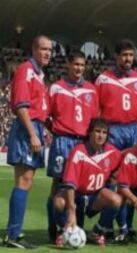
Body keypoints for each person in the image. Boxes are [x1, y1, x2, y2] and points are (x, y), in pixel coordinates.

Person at [95, 39, 137, 239]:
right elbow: (96, 108)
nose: (128, 59)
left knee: (131, 181)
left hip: (133, 130)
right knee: (112, 179)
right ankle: (109, 226)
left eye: (130, 55)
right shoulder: (103, 79)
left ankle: (127, 226)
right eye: (124, 55)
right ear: (116, 57)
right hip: (112, 131)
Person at [4, 35, 52, 249]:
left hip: (35, 128)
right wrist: (33, 134)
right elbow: (21, 106)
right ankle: (13, 234)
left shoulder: (39, 74)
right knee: (23, 181)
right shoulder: (26, 70)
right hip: (27, 129)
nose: (47, 53)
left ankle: (14, 231)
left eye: (50, 50)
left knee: (27, 181)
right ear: (34, 50)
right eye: (43, 49)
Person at [46, 50, 99, 242]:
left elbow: (94, 120)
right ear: (68, 64)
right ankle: (54, 226)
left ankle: (75, 224)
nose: (79, 68)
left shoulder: (91, 90)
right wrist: (59, 132)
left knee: (78, 186)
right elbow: (46, 116)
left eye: (82, 65)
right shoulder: (56, 88)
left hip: (83, 143)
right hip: (62, 141)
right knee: (57, 183)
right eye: (75, 64)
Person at [53, 118, 122, 247]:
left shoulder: (112, 152)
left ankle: (97, 231)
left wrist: (113, 177)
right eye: (97, 131)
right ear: (90, 132)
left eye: (104, 132)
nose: (100, 135)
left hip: (95, 197)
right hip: (77, 196)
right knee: (58, 202)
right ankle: (65, 231)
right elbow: (69, 184)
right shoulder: (78, 152)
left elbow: (124, 159)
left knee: (116, 200)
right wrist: (71, 211)